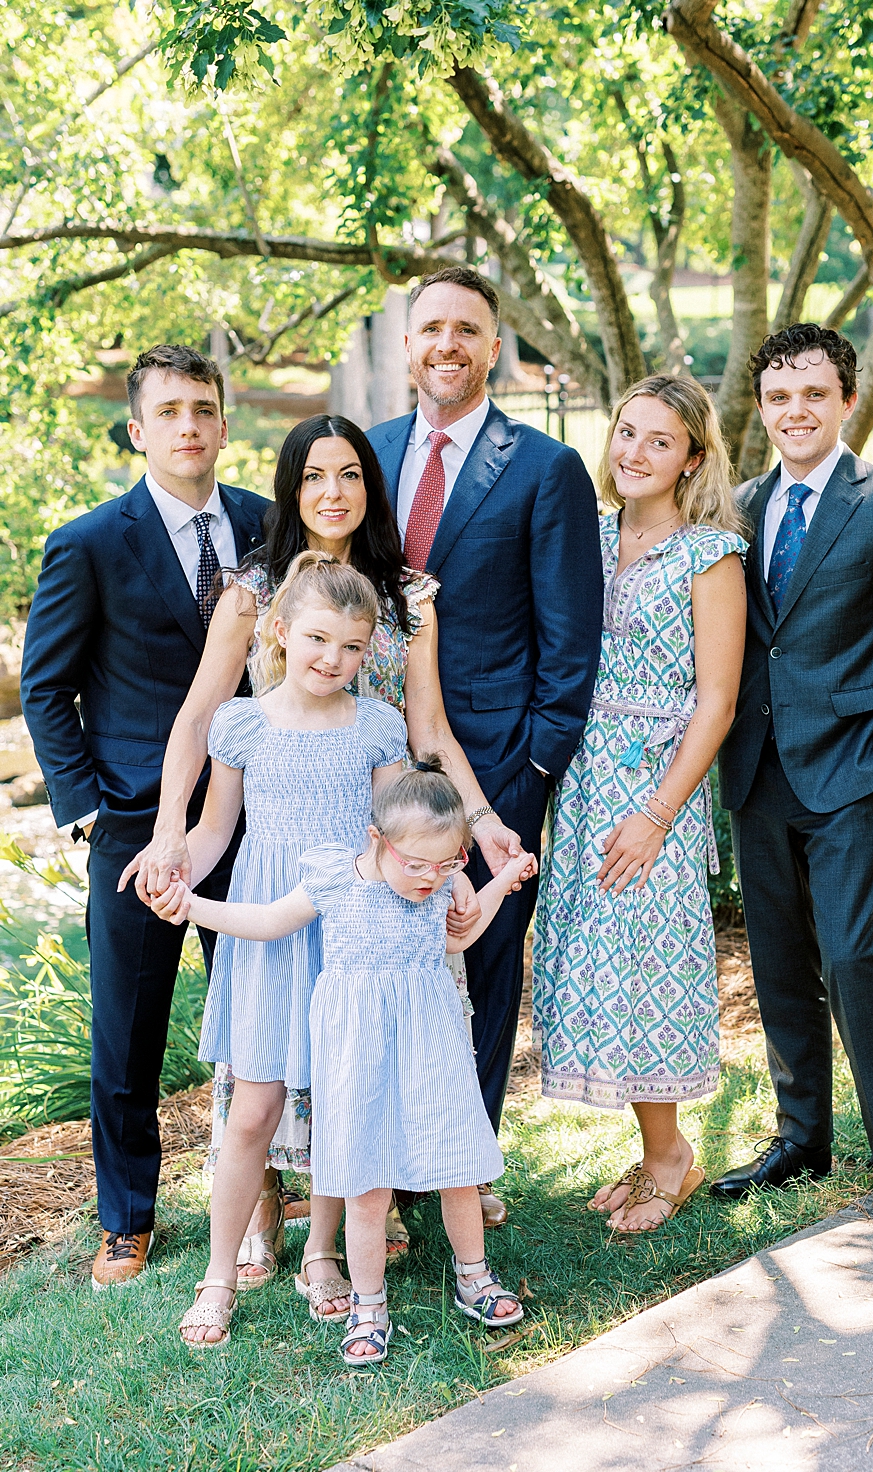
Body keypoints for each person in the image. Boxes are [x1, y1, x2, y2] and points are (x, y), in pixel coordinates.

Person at [124, 411, 508, 1269]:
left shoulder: (407, 595)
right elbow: (201, 721)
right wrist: (169, 838)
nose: (331, 493)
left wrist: (479, 828)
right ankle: (260, 1217)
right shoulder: (254, 592)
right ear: (290, 488)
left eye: (350, 475)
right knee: (264, 1064)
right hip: (275, 863)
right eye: (312, 476)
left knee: (359, 1054)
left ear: (370, 488)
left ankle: (362, 1216)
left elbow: (429, 731)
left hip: (371, 858)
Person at [20, 343, 267, 1291]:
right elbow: (46, 690)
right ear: (138, 429)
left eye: (202, 408)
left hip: (250, 811)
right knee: (127, 1032)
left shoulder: (264, 524)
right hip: (132, 824)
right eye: (168, 413)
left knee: (260, 1015)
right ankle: (127, 1219)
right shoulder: (89, 541)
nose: (189, 426)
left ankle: (266, 1199)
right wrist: (85, 813)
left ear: (222, 422)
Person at [151, 763, 536, 1364]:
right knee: (366, 1183)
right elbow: (268, 921)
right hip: (358, 1058)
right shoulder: (336, 879)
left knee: (457, 1166)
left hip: (430, 1048)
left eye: (447, 865)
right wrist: (193, 907)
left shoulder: (435, 888)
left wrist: (503, 876)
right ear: (379, 839)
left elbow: (459, 937)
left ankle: (475, 1277)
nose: (432, 879)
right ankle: (368, 1305)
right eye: (417, 864)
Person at [366, 265, 603, 1215]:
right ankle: (384, 1161)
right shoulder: (367, 456)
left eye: (467, 329)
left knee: (487, 962)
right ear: (409, 344)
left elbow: (569, 636)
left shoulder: (545, 467)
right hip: (381, 751)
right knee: (383, 954)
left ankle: (467, 1163)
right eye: (431, 329)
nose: (447, 346)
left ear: (494, 347)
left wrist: (537, 767)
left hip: (498, 756)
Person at [709, 323, 873, 1229]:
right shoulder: (736, 508)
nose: (794, 411)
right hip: (757, 771)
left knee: (858, 960)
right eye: (778, 397)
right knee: (778, 966)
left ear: (847, 400)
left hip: (850, 771)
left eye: (812, 394)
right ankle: (800, 1139)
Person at [165, 554, 414, 1345]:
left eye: (350, 646)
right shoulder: (242, 725)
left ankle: (323, 1252)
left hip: (352, 933)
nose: (332, 660)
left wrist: (444, 887)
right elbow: (214, 832)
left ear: (369, 650)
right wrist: (178, 874)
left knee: (343, 1102)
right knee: (255, 1110)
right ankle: (216, 1275)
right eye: (316, 639)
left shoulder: (377, 725)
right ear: (277, 631)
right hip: (269, 934)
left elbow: (397, 834)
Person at [534, 374, 748, 1233]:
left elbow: (718, 700)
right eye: (627, 432)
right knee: (600, 967)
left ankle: (671, 1159)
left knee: (651, 962)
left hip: (656, 781)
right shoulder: (580, 536)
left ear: (692, 458)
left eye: (660, 441)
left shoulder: (711, 553)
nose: (636, 453)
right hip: (583, 780)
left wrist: (658, 814)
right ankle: (655, 1148)